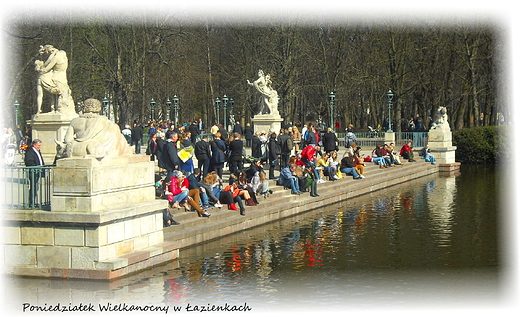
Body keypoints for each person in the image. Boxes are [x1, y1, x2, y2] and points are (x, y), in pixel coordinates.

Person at [24, 139, 45, 206]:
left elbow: (40, 160)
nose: (40, 147)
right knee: (33, 187)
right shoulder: (30, 151)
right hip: (33, 172)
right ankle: (32, 202)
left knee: (36, 187)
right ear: (34, 144)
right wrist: (36, 168)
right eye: (39, 145)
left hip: (38, 171)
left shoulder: (37, 151)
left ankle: (34, 202)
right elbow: (29, 161)